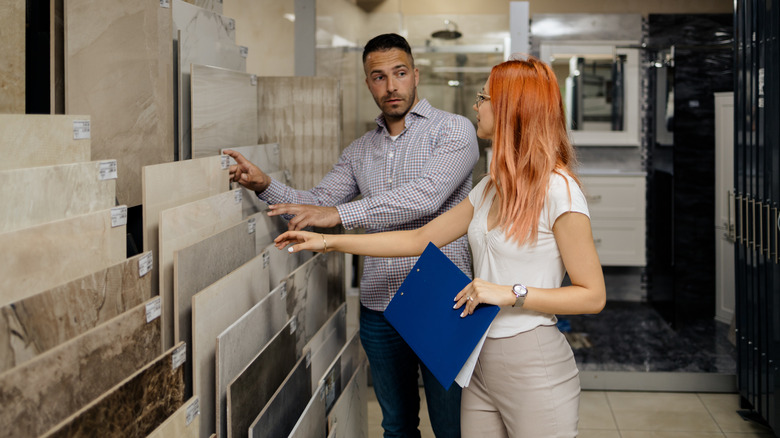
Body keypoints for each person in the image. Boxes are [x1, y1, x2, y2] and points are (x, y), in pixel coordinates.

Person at [274, 55, 607, 437]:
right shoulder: (488, 189)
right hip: (478, 355)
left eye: (484, 97)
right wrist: (328, 242)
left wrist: (508, 293)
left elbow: (592, 295)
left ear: (511, 109)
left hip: (532, 356)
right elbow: (418, 239)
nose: (476, 105)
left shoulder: (559, 190)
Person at [225, 33, 478, 437]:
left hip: (444, 300)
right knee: (396, 425)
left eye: (399, 73)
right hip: (380, 305)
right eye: (378, 77)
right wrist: (264, 184)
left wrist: (340, 214)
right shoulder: (360, 150)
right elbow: (318, 202)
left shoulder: (454, 131)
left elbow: (424, 198)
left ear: (416, 75)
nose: (391, 86)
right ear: (368, 83)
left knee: (454, 427)